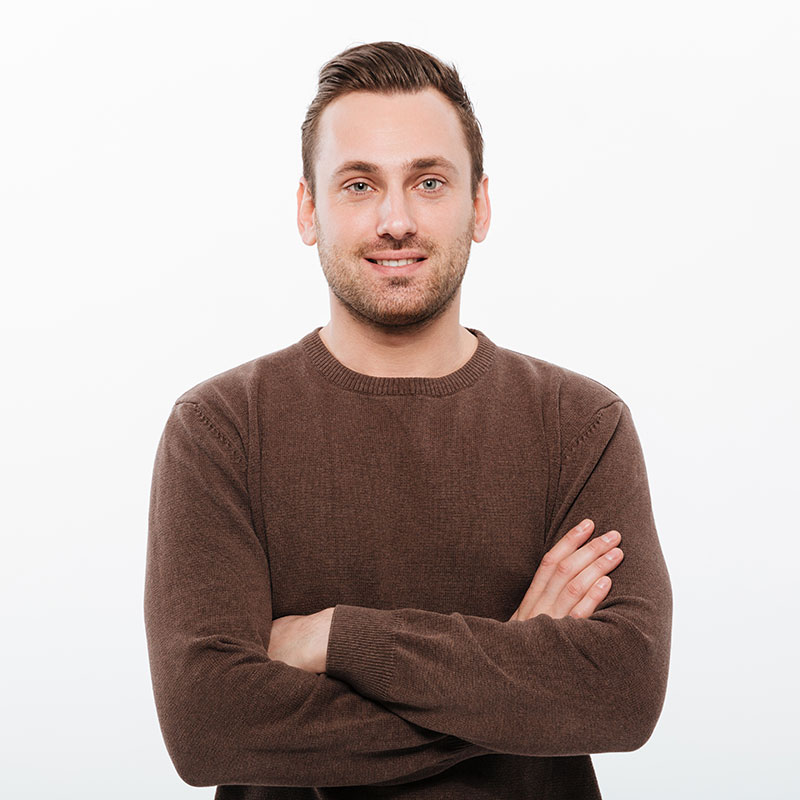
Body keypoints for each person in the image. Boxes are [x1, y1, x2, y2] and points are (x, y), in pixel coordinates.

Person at [144, 41, 672, 799]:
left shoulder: (581, 425)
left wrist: (336, 638)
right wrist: (513, 668)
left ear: (479, 206)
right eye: (359, 184)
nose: (396, 220)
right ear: (309, 210)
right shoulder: (220, 429)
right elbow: (209, 728)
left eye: (428, 181)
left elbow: (619, 695)